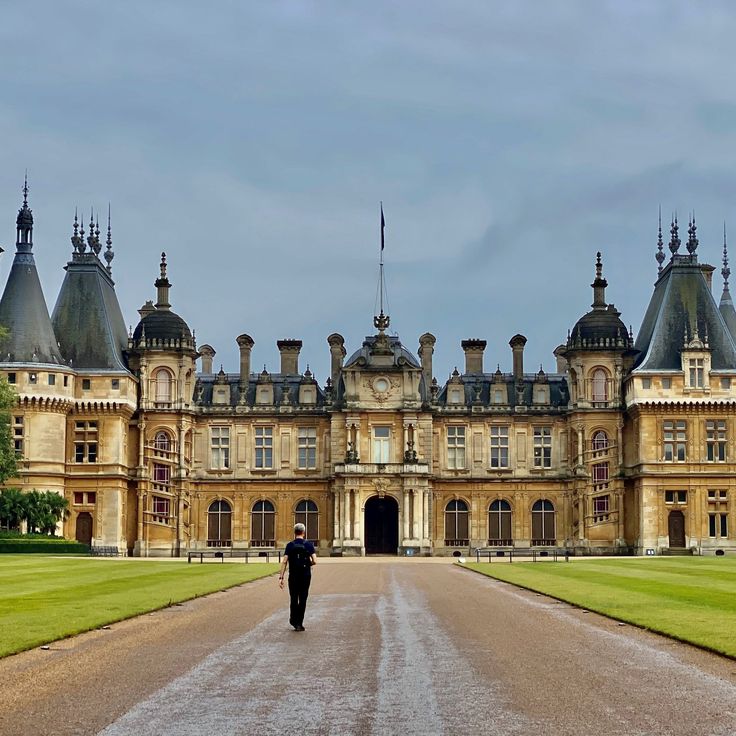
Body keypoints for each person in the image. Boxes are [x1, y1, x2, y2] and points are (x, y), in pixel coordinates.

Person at [279, 522, 316, 631]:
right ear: (303, 532)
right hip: (305, 575)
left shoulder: (290, 545)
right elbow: (315, 561)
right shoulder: (309, 545)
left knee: (294, 598)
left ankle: (293, 619)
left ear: (295, 532)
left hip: (293, 575)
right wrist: (309, 563)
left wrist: (281, 578)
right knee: (303, 598)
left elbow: (284, 561)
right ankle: (299, 623)